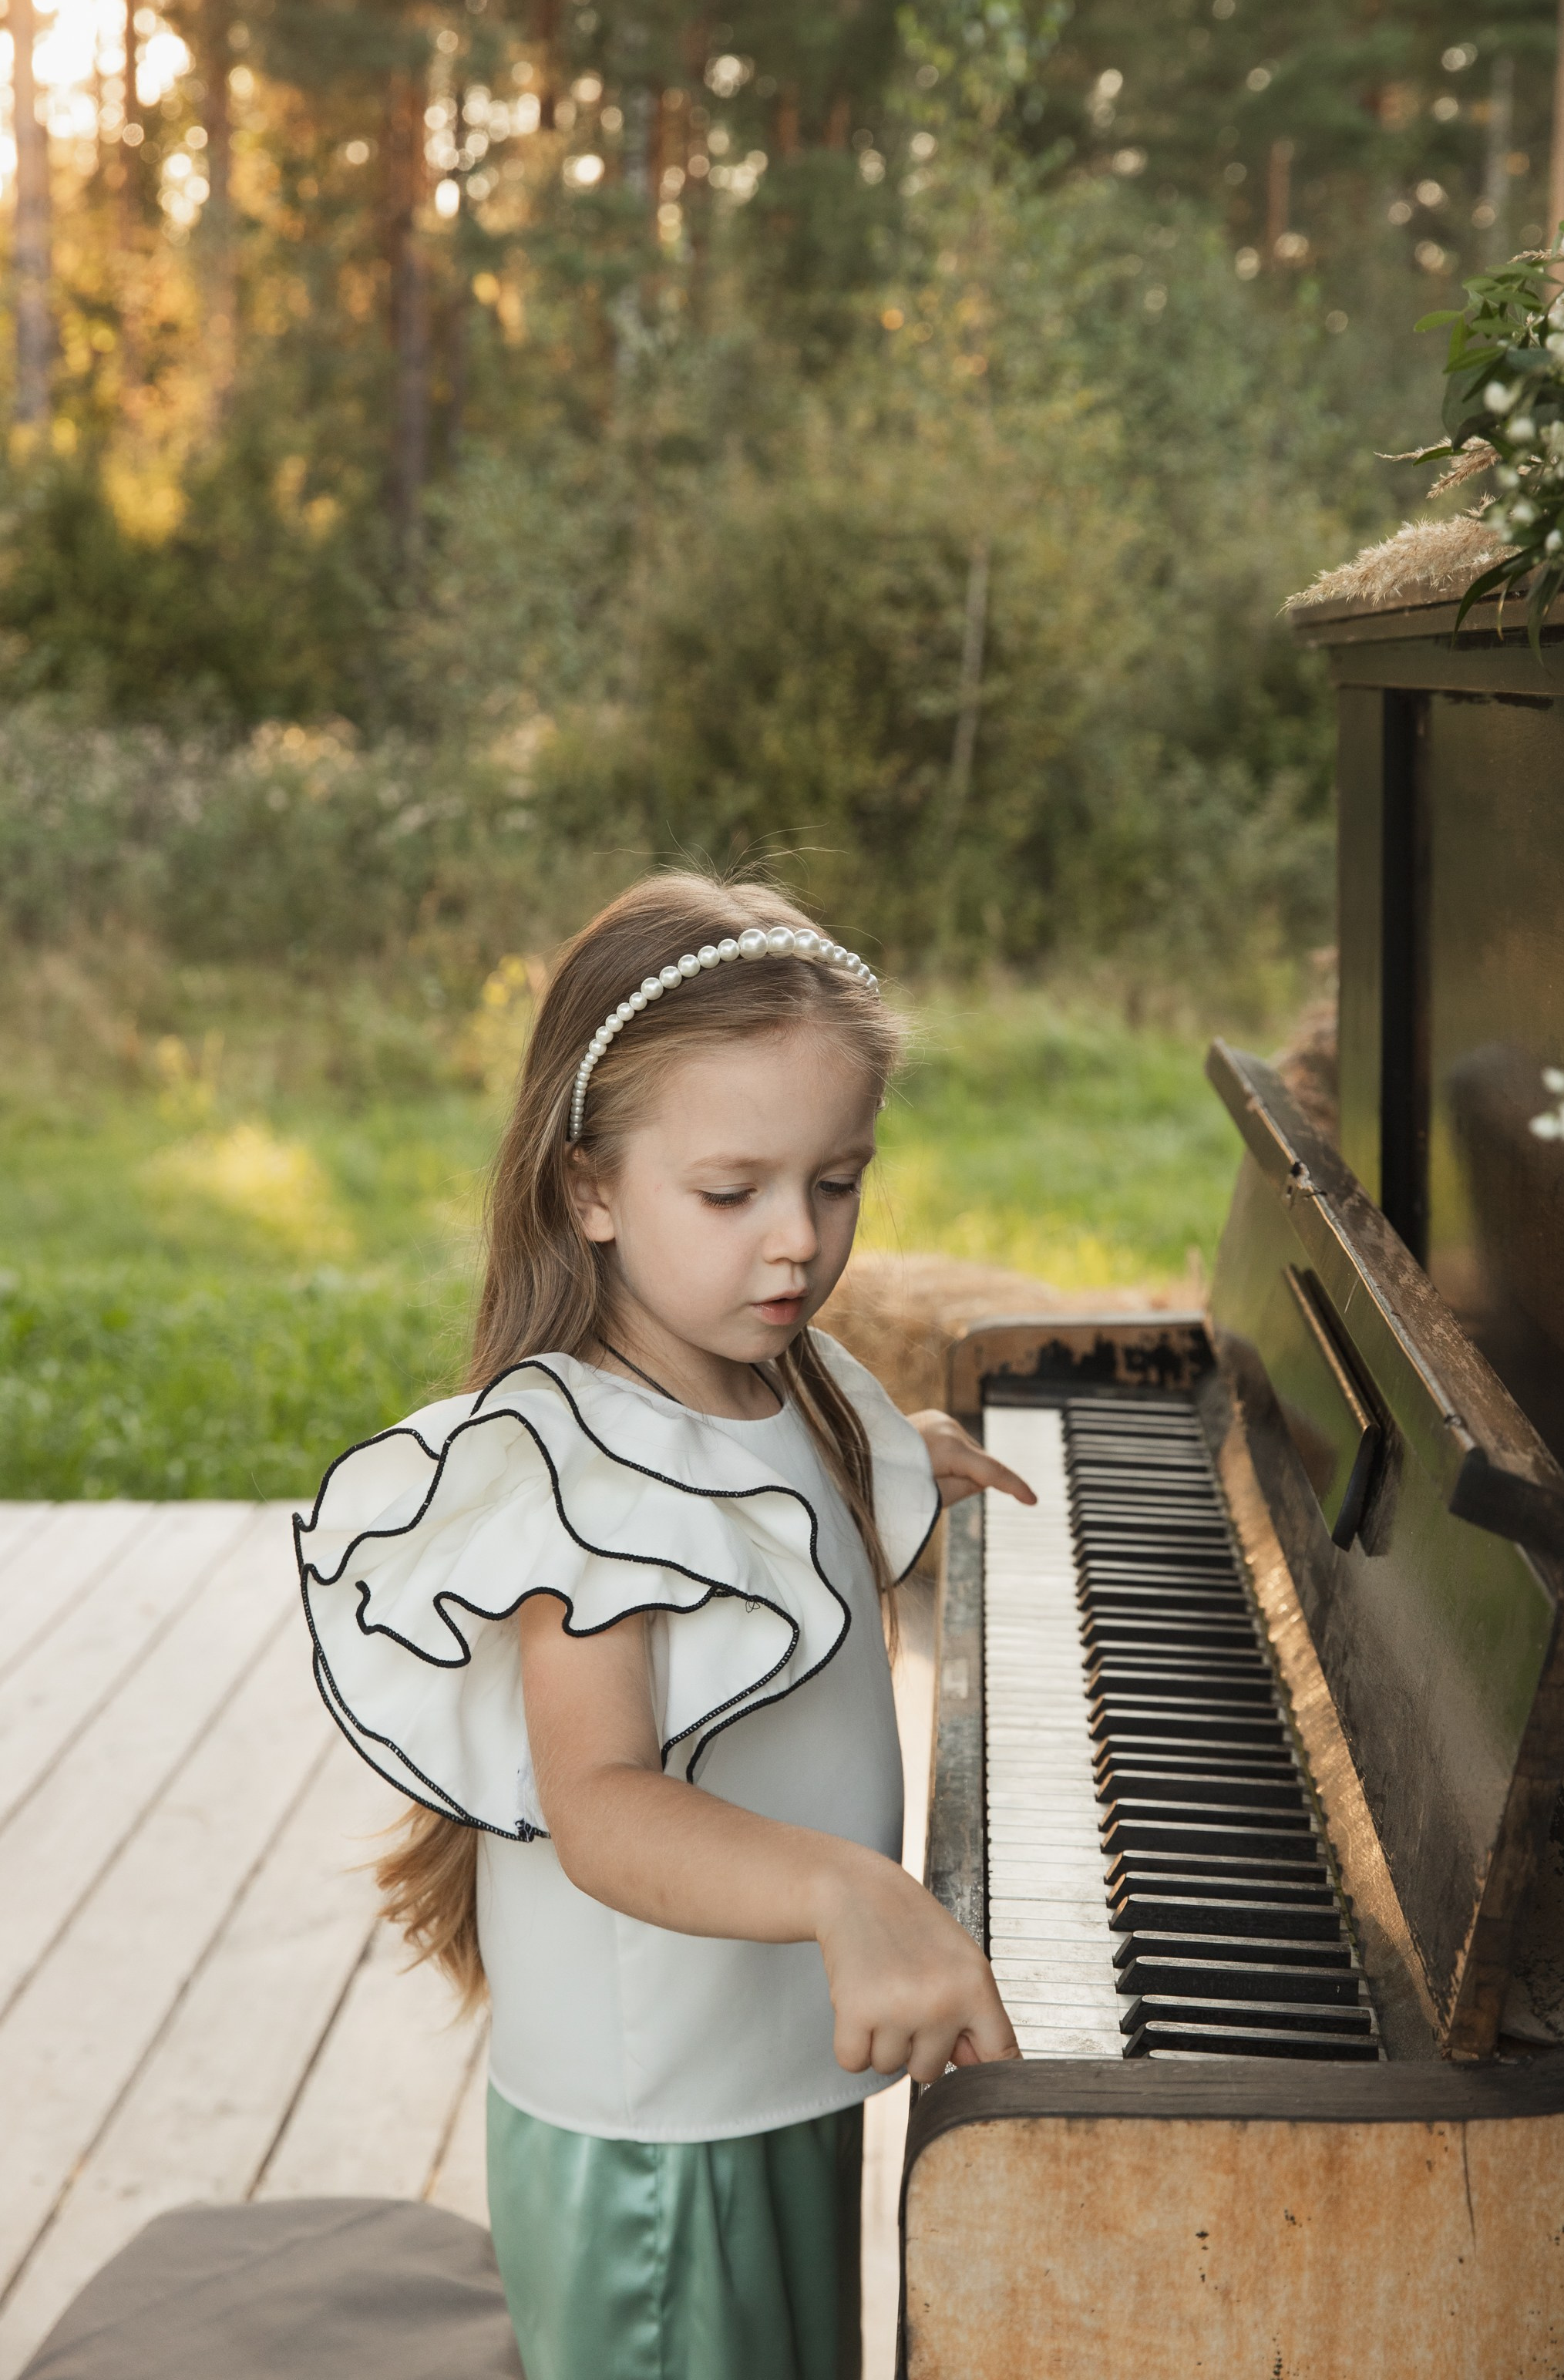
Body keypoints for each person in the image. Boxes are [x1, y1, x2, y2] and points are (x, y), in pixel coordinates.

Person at [296, 871, 1032, 2380]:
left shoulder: (773, 1373)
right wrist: (848, 1892)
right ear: (587, 1189)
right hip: (661, 2137)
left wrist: (909, 1458)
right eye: (732, 1190)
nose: (795, 1243)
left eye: (837, 1180)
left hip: (765, 2073)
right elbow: (602, 1806)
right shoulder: (576, 1483)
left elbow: (769, 1494)